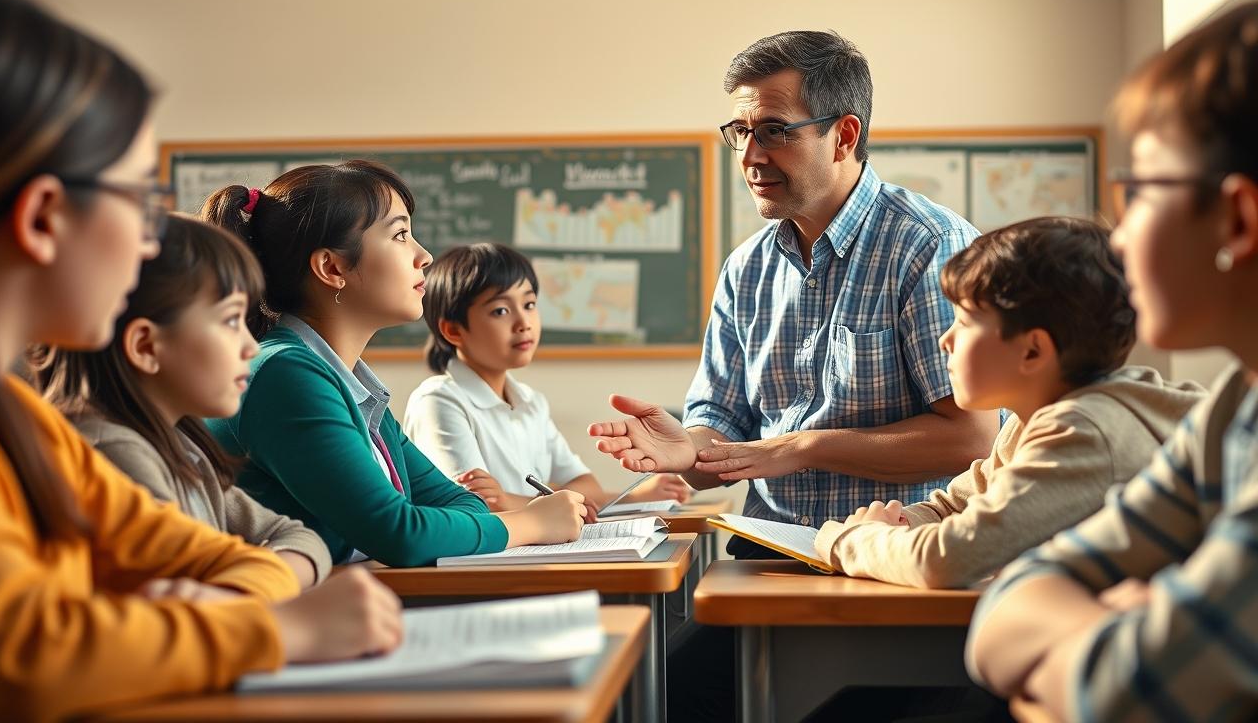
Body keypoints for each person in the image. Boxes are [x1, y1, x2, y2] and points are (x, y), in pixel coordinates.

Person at [0, 0, 400, 720]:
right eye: (140, 201)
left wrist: (219, 609)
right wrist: (276, 631)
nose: (150, 243)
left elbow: (225, 557)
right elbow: (25, 657)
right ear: (44, 218)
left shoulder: (15, 415)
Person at [589, 30, 996, 552]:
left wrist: (803, 447)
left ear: (844, 136)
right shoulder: (746, 267)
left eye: (774, 131)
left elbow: (971, 438)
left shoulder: (928, 245)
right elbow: (722, 433)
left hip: (893, 555)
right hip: (769, 550)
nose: (750, 155)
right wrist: (686, 451)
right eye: (740, 131)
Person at [966, 1, 1258, 721]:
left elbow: (1121, 694)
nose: (1118, 239)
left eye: (1141, 192)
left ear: (1238, 220)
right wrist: (1124, 626)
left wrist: (1103, 635)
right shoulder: (1234, 407)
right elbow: (998, 616)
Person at [203, 164, 586, 568]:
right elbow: (402, 534)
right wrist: (531, 523)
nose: (425, 256)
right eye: (401, 234)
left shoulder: (351, 384)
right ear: (332, 268)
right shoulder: (285, 375)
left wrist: (453, 524)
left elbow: (460, 503)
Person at [812, 216, 1204, 589]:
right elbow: (954, 508)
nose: (945, 340)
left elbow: (947, 559)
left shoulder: (1082, 431)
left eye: (965, 323)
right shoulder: (1031, 418)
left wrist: (851, 540)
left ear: (1033, 351)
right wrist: (897, 523)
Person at [35, 215, 333, 589]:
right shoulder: (111, 450)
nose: (251, 347)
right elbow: (182, 588)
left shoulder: (183, 448)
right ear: (146, 346)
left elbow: (298, 538)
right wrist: (251, 591)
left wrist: (249, 589)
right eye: (231, 321)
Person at [402, 242, 690, 513]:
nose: (523, 323)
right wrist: (547, 501)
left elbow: (586, 486)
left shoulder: (531, 402)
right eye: (501, 310)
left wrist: (514, 500)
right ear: (453, 330)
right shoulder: (438, 400)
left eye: (529, 305)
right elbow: (474, 505)